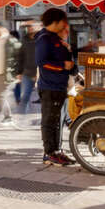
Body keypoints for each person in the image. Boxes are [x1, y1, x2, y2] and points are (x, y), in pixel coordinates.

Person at [36, 9, 76, 166]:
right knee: (49, 121)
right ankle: (49, 152)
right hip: (50, 87)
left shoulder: (55, 38)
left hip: (60, 86)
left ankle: (57, 150)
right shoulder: (44, 39)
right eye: (63, 22)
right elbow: (42, 62)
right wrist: (62, 65)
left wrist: (68, 53)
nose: (65, 25)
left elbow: (65, 61)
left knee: (58, 121)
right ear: (56, 22)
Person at [16, 23, 39, 115]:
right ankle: (21, 119)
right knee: (24, 97)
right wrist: (19, 72)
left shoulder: (42, 39)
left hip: (41, 74)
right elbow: (20, 57)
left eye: (32, 26)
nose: (30, 28)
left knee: (45, 99)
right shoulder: (24, 40)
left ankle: (43, 119)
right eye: (29, 27)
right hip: (27, 73)